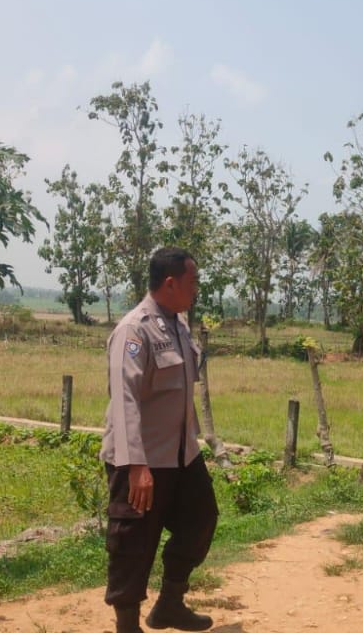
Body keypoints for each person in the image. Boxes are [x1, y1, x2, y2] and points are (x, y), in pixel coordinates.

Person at [100, 247, 218, 633]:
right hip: (142, 460)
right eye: (192, 281)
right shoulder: (134, 330)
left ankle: (170, 604)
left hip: (182, 456)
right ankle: (127, 625)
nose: (196, 289)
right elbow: (124, 399)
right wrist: (136, 465)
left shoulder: (178, 325)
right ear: (170, 283)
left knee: (201, 519)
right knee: (133, 542)